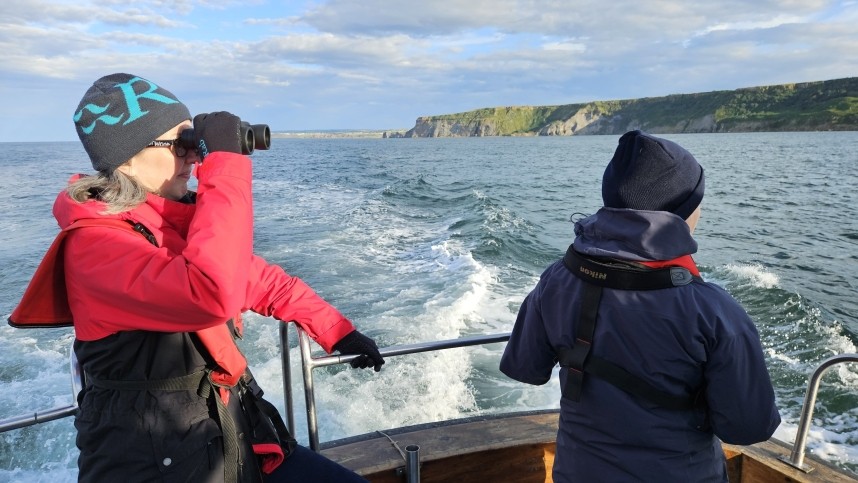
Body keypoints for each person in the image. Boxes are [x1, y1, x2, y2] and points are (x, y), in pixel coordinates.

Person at [10, 73, 384, 482]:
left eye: (195, 144)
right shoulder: (96, 246)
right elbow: (212, 292)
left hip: (231, 438)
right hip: (156, 464)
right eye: (179, 144)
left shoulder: (165, 226)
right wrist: (224, 166)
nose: (193, 157)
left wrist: (338, 332)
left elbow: (261, 281)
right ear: (126, 159)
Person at [499, 130, 781, 482]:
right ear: (683, 212)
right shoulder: (714, 312)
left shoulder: (556, 279)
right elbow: (748, 427)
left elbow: (525, 367)